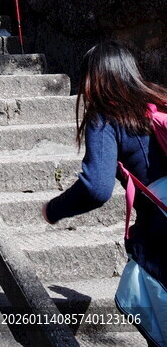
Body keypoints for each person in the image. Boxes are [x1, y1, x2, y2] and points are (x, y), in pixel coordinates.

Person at [44, 42, 167, 345]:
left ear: (92, 79)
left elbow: (95, 188)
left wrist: (54, 209)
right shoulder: (160, 100)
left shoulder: (107, 117)